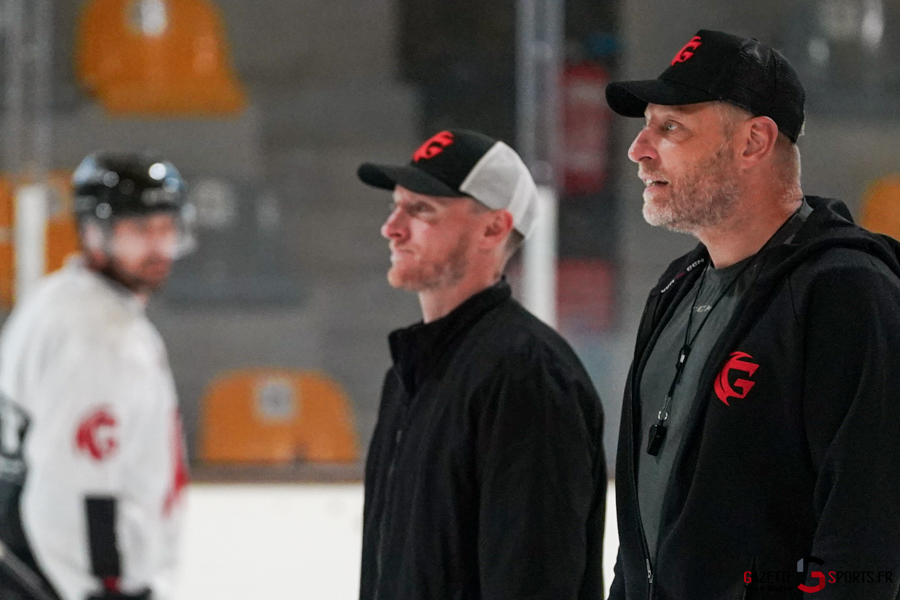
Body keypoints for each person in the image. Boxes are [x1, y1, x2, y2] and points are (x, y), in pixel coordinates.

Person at [605, 29, 900, 599]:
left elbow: (864, 545)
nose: (638, 149)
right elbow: (641, 543)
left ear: (754, 141)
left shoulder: (846, 293)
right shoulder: (675, 289)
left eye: (671, 128)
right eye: (646, 125)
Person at [356, 129, 606, 600]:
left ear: (492, 229)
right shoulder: (409, 374)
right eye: (395, 205)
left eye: (421, 210)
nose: (392, 227)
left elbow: (534, 582)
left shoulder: (526, 375)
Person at [0, 153, 194, 600]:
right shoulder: (100, 338)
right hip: (60, 582)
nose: (158, 246)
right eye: (138, 229)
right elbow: (77, 491)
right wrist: (104, 588)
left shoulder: (59, 298)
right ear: (93, 232)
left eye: (166, 228)